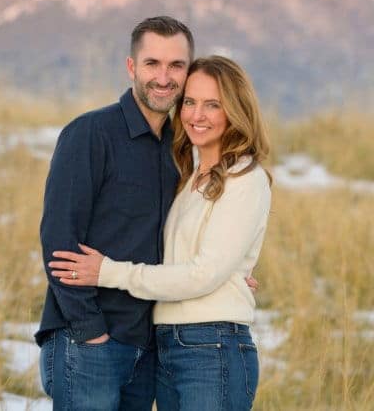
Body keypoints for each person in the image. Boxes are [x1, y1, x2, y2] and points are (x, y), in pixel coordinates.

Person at [49, 55, 272, 411]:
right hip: (168, 344)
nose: (197, 115)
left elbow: (202, 274)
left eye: (213, 105)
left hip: (212, 348)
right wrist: (230, 274)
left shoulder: (244, 177)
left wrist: (109, 272)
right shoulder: (189, 175)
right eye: (190, 102)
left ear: (236, 110)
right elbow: (187, 258)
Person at [36, 16, 194, 411]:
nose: (164, 77)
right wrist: (90, 332)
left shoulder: (182, 148)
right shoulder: (91, 134)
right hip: (90, 342)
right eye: (152, 63)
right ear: (131, 67)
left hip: (149, 344)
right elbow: (59, 238)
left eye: (176, 65)